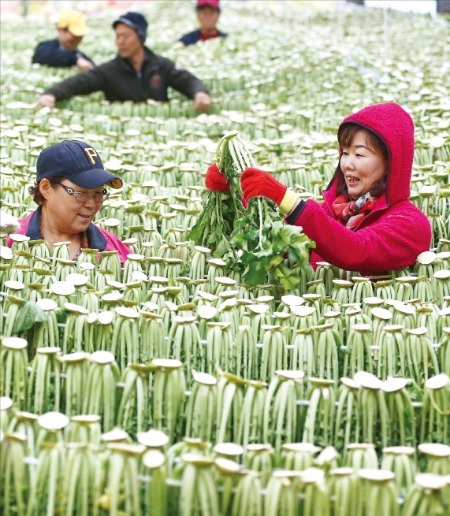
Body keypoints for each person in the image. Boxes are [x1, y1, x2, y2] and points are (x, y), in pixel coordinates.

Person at [204, 102, 432, 277]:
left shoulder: (410, 224)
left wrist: (288, 200)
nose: (347, 164)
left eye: (359, 154)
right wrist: (233, 196)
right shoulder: (336, 211)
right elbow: (272, 248)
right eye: (344, 152)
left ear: (391, 163)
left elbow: (356, 251)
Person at [36, 11, 212, 112]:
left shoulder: (160, 65)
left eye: (126, 36)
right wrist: (51, 94)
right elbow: (79, 83)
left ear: (140, 37)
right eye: (117, 36)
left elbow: (186, 80)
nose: (120, 41)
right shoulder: (110, 70)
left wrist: (200, 93)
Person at [6, 140, 131, 264]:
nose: (91, 205)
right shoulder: (9, 243)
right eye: (81, 193)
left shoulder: (115, 251)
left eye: (98, 193)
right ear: (46, 188)